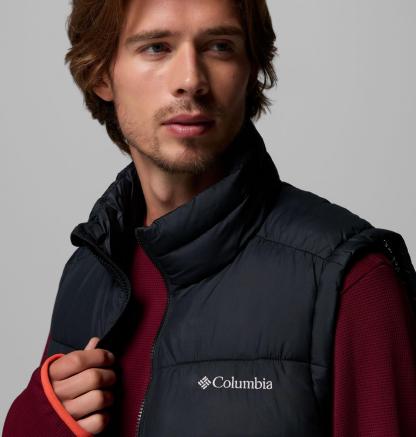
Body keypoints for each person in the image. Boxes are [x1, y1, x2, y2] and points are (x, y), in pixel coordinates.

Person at [3, 0, 416, 436]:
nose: (191, 81)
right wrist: (33, 423)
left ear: (250, 70)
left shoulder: (352, 281)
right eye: (157, 47)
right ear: (102, 74)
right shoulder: (89, 271)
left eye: (219, 46)